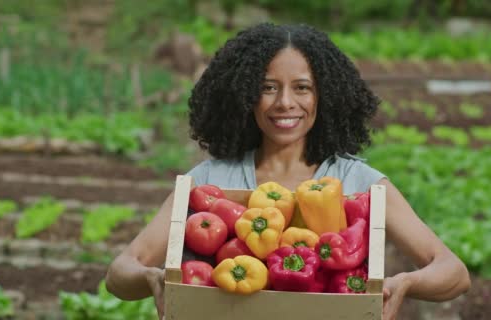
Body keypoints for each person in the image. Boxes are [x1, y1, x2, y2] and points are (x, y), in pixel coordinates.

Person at [105, 23, 470, 320]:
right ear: (245, 95)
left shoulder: (360, 182)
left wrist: (404, 283)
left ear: (324, 96)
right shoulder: (209, 181)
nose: (285, 103)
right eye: (268, 88)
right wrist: (152, 277)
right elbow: (120, 273)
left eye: (302, 88)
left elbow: (453, 273)